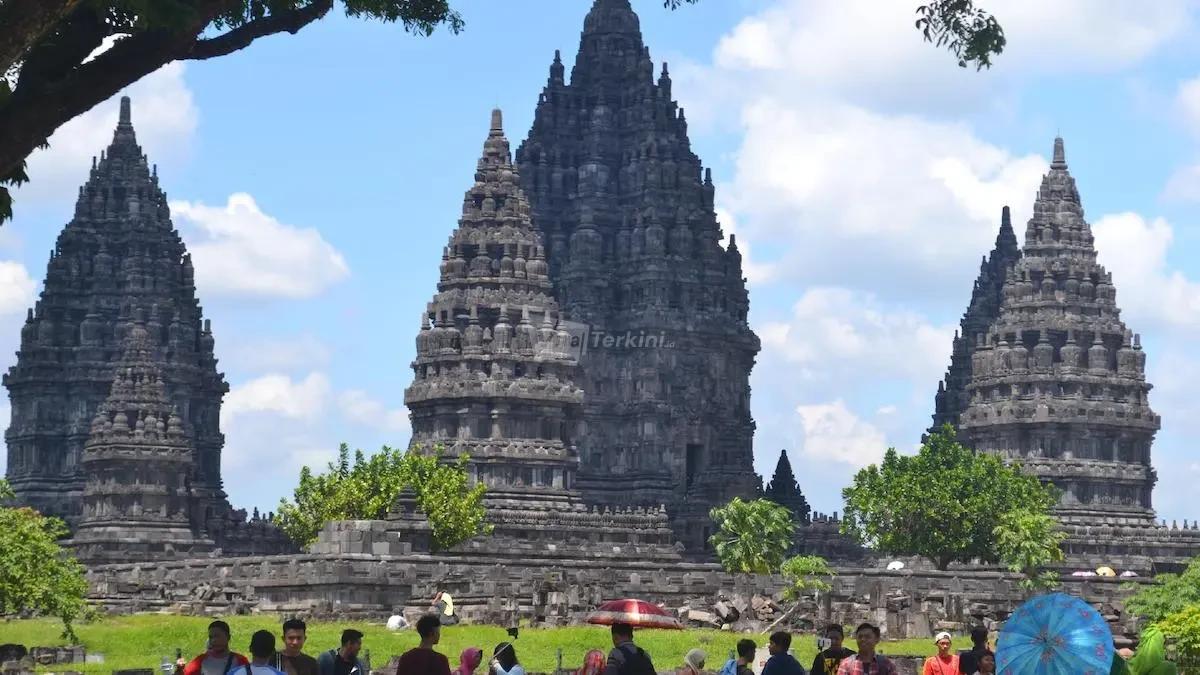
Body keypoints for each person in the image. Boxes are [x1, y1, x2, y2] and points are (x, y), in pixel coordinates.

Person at [176, 620, 250, 675]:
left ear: (228, 637)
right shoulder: (201, 660)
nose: (214, 640)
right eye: (211, 637)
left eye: (217, 636)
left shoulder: (240, 661)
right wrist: (179, 670)